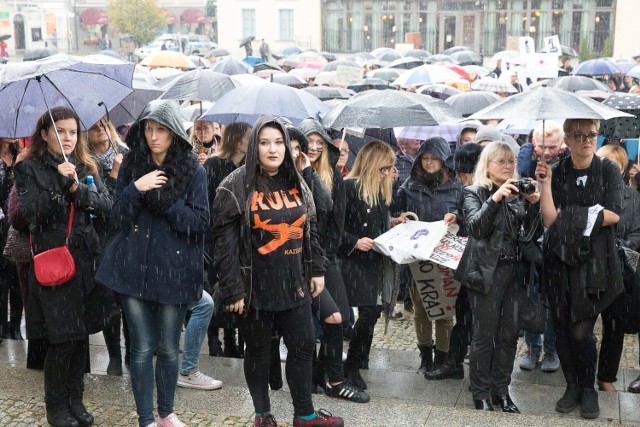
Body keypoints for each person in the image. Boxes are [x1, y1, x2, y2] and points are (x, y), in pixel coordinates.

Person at [211, 115, 344, 427]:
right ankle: (262, 414)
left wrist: (316, 270)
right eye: (264, 142)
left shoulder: (296, 181)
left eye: (278, 142)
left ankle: (305, 415)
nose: (272, 149)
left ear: (288, 146)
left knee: (303, 346)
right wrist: (233, 289)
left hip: (294, 283)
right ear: (255, 146)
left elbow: (310, 227)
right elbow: (223, 244)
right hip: (255, 287)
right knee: (258, 353)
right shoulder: (235, 186)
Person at [96, 100, 209, 427]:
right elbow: (116, 218)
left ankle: (166, 413)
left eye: (161, 129)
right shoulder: (131, 164)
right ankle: (146, 419)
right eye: (148, 129)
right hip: (132, 267)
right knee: (142, 349)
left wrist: (167, 203)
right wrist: (136, 188)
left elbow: (200, 223)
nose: (154, 136)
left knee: (169, 349)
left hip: (174, 271)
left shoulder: (193, 169)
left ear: (174, 132)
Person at [14, 107, 114, 427]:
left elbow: (106, 207)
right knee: (61, 340)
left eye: (72, 132)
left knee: (80, 336)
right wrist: (59, 183)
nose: (67, 138)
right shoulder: (28, 168)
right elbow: (31, 214)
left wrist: (77, 188)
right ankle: (56, 406)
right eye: (60, 131)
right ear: (45, 134)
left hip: (85, 263)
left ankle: (76, 398)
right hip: (54, 264)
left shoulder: (85, 165)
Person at [536, 119, 625, 419]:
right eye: (579, 135)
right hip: (559, 260)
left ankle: (588, 387)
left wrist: (571, 215)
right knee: (561, 327)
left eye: (591, 135)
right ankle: (571, 384)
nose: (586, 141)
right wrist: (545, 185)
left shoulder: (608, 170)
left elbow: (614, 213)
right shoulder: (558, 171)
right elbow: (549, 220)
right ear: (568, 140)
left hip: (595, 264)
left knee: (580, 331)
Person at [454, 141, 541, 413]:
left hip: (515, 274)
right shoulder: (473, 191)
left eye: (510, 162)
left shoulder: (517, 196)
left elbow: (529, 235)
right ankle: (480, 392)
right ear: (487, 165)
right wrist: (495, 198)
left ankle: (501, 391)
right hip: (485, 274)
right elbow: (476, 227)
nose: (507, 166)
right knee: (483, 335)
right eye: (500, 161)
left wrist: (534, 205)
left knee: (509, 335)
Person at [298, 119, 369, 403]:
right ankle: (322, 376)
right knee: (310, 320)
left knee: (339, 317)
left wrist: (323, 261)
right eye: (309, 142)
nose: (314, 147)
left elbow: (335, 224)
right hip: (296, 261)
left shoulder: (334, 177)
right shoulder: (289, 174)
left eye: (319, 143)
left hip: (326, 258)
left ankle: (328, 374)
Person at [392, 137, 463, 375]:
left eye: (434, 158)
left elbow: (465, 217)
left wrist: (456, 218)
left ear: (444, 160)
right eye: (425, 158)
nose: (429, 163)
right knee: (421, 311)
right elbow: (395, 210)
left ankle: (443, 357)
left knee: (444, 313)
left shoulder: (457, 186)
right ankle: (425, 357)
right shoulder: (409, 185)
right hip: (417, 258)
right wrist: (398, 217)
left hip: (444, 258)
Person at [340, 140, 405, 391]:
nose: (388, 173)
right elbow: (334, 230)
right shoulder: (347, 188)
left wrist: (392, 224)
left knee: (371, 312)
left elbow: (376, 226)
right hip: (348, 261)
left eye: (390, 168)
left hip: (372, 261)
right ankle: (342, 365)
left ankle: (355, 363)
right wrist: (354, 242)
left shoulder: (380, 192)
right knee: (343, 318)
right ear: (371, 165)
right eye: (384, 168)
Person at [425, 143, 482, 381]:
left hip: (483, 266)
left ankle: (477, 371)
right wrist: (456, 217)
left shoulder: (483, 190)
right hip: (469, 265)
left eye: (462, 172)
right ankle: (455, 362)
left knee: (477, 321)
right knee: (464, 315)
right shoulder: (467, 189)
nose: (458, 177)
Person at [516, 122, 566, 373]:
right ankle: (532, 347)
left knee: (553, 301)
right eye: (543, 146)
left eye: (553, 147)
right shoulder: (525, 165)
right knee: (531, 299)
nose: (547, 152)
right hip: (530, 242)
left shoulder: (566, 167)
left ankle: (551, 350)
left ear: (561, 146)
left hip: (556, 243)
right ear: (535, 145)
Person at [594, 145, 640, 393]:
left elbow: (637, 233)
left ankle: (606, 376)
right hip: (589, 269)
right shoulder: (587, 193)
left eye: (611, 165)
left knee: (614, 327)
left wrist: (615, 247)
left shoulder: (633, 198)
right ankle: (580, 375)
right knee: (582, 328)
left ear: (621, 169)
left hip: (620, 271)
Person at [204, 121, 251, 358]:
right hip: (217, 235)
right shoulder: (214, 164)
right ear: (236, 138)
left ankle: (233, 337)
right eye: (248, 136)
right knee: (216, 287)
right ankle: (214, 337)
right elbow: (209, 201)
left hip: (241, 237)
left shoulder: (248, 167)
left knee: (236, 286)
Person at [86, 118, 128, 375]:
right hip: (102, 239)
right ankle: (114, 354)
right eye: (93, 126)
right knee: (109, 299)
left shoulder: (127, 154)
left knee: (131, 300)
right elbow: (105, 206)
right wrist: (113, 175)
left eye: (103, 123)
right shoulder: (86, 163)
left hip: (129, 236)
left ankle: (133, 352)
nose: (100, 128)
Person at [0, 138, 23, 341]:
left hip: (17, 224)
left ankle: (15, 327)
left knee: (17, 277)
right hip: (0, 223)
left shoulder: (21, 157)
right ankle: (1, 325)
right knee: (2, 279)